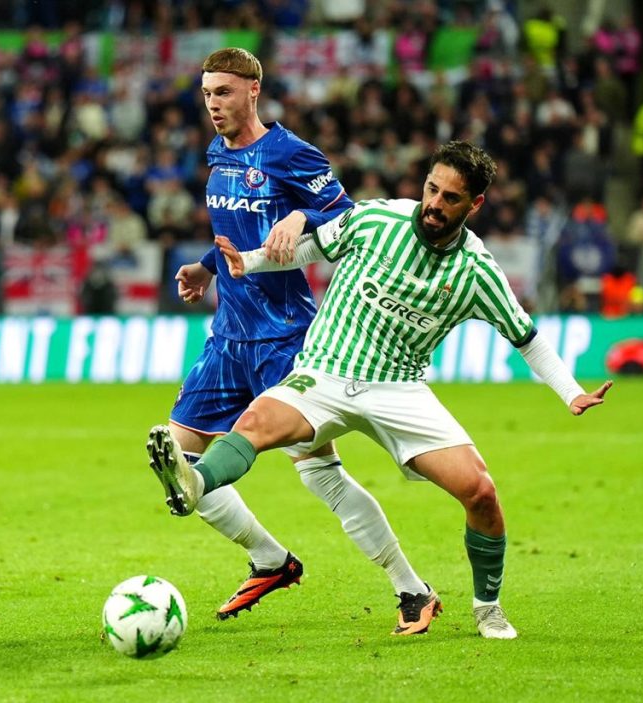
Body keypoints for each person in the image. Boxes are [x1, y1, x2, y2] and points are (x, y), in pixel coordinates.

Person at [149, 141, 613, 639]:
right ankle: (195, 484)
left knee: (480, 492)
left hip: (398, 389)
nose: (435, 204)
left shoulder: (477, 271)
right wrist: (249, 262)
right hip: (324, 373)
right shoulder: (375, 221)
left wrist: (570, 393)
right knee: (257, 424)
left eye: (451, 198)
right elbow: (311, 248)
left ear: (474, 205)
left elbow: (527, 337)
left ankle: (488, 608)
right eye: (432, 189)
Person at [151, 47, 434, 633]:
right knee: (178, 464)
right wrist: (207, 266)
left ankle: (412, 588)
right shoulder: (216, 155)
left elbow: (350, 218)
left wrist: (303, 218)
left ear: (254, 90)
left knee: (320, 474)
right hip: (228, 338)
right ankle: (270, 559)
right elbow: (236, 228)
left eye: (223, 92)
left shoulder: (290, 153)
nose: (213, 104)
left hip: (286, 339)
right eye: (206, 94)